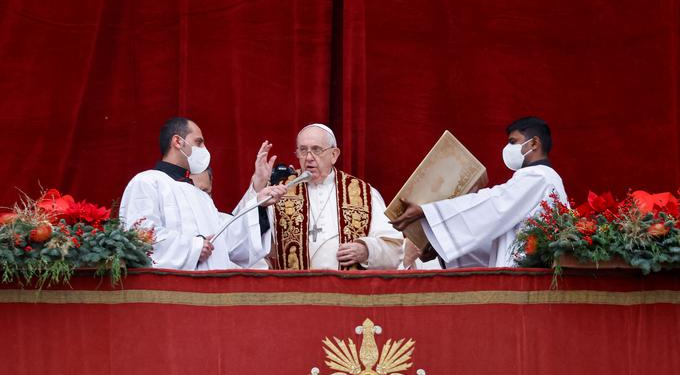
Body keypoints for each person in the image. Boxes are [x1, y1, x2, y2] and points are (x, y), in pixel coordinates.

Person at [391, 116, 568, 268]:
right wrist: (441, 246)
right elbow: (500, 241)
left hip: (526, 281)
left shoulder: (539, 177)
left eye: (513, 141)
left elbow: (494, 204)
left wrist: (428, 211)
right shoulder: (544, 179)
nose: (507, 148)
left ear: (535, 143)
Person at [120, 117, 287, 270]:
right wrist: (193, 248)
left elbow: (230, 242)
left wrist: (259, 205)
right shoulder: (147, 181)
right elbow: (140, 237)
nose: (204, 149)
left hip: (210, 295)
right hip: (169, 293)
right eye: (199, 143)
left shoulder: (200, 195)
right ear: (178, 141)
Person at [254, 124, 403, 270]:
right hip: (295, 292)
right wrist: (258, 187)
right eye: (303, 150)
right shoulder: (280, 190)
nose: (309, 157)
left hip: (347, 292)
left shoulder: (364, 193)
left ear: (334, 155)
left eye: (316, 150)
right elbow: (246, 245)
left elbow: (395, 249)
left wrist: (367, 250)